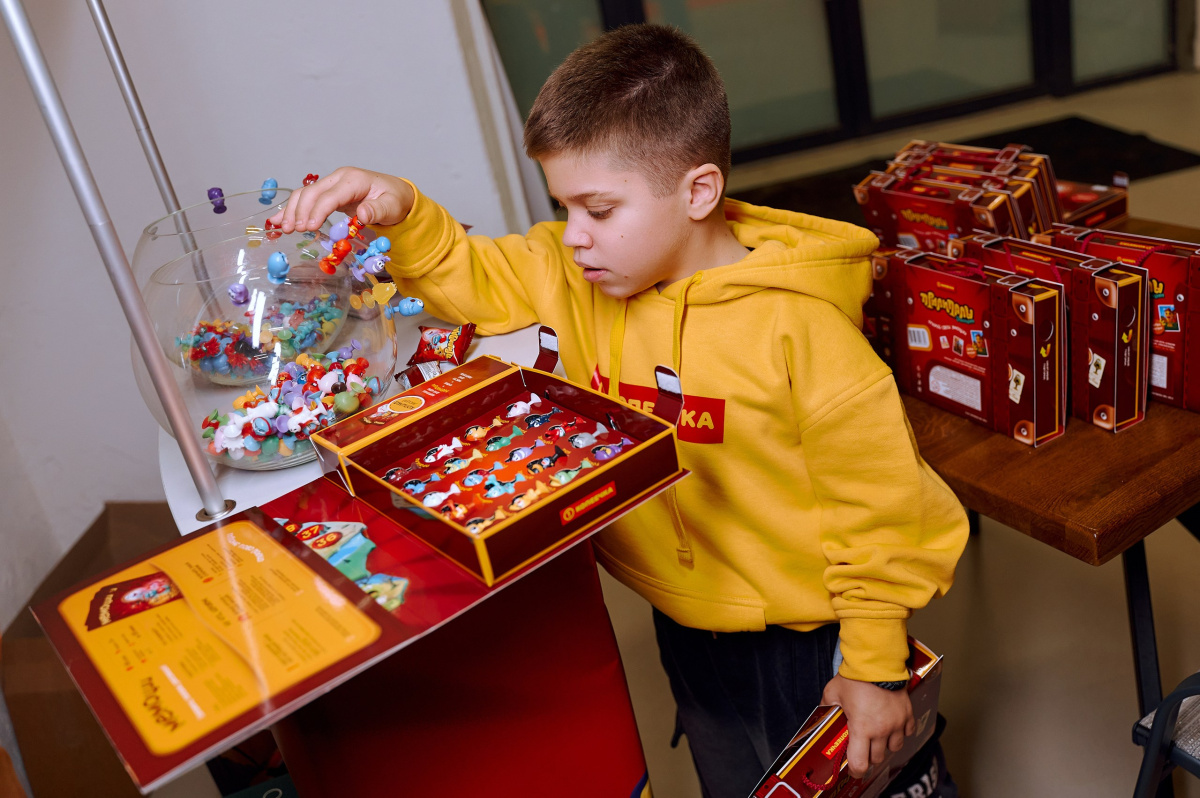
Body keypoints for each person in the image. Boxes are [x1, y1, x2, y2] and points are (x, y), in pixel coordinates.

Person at [273, 23, 968, 798]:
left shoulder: (800, 332)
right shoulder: (578, 271)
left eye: (598, 209)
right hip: (687, 625)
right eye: (564, 207)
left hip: (811, 638)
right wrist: (403, 209)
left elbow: (883, 509)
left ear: (698, 192)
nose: (573, 237)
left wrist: (874, 667)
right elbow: (474, 276)